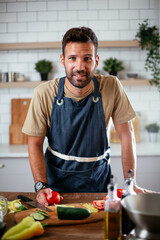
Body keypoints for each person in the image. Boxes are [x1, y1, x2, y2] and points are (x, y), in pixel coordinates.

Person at [22, 27, 151, 207]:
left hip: (98, 185)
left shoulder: (112, 86)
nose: (80, 67)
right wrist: (40, 185)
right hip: (55, 189)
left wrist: (131, 184)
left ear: (96, 60)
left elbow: (126, 136)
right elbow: (34, 142)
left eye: (87, 58)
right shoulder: (44, 93)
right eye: (72, 58)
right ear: (63, 60)